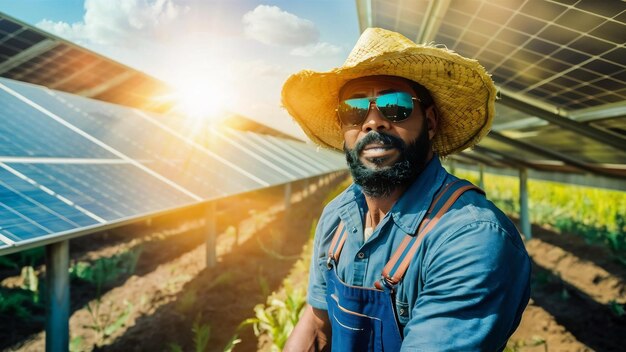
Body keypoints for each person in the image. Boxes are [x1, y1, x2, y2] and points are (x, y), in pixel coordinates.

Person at [280, 28, 531, 351]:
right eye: (354, 109)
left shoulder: (471, 237)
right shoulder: (337, 218)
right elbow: (316, 325)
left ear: (429, 122)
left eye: (394, 105)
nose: (373, 122)